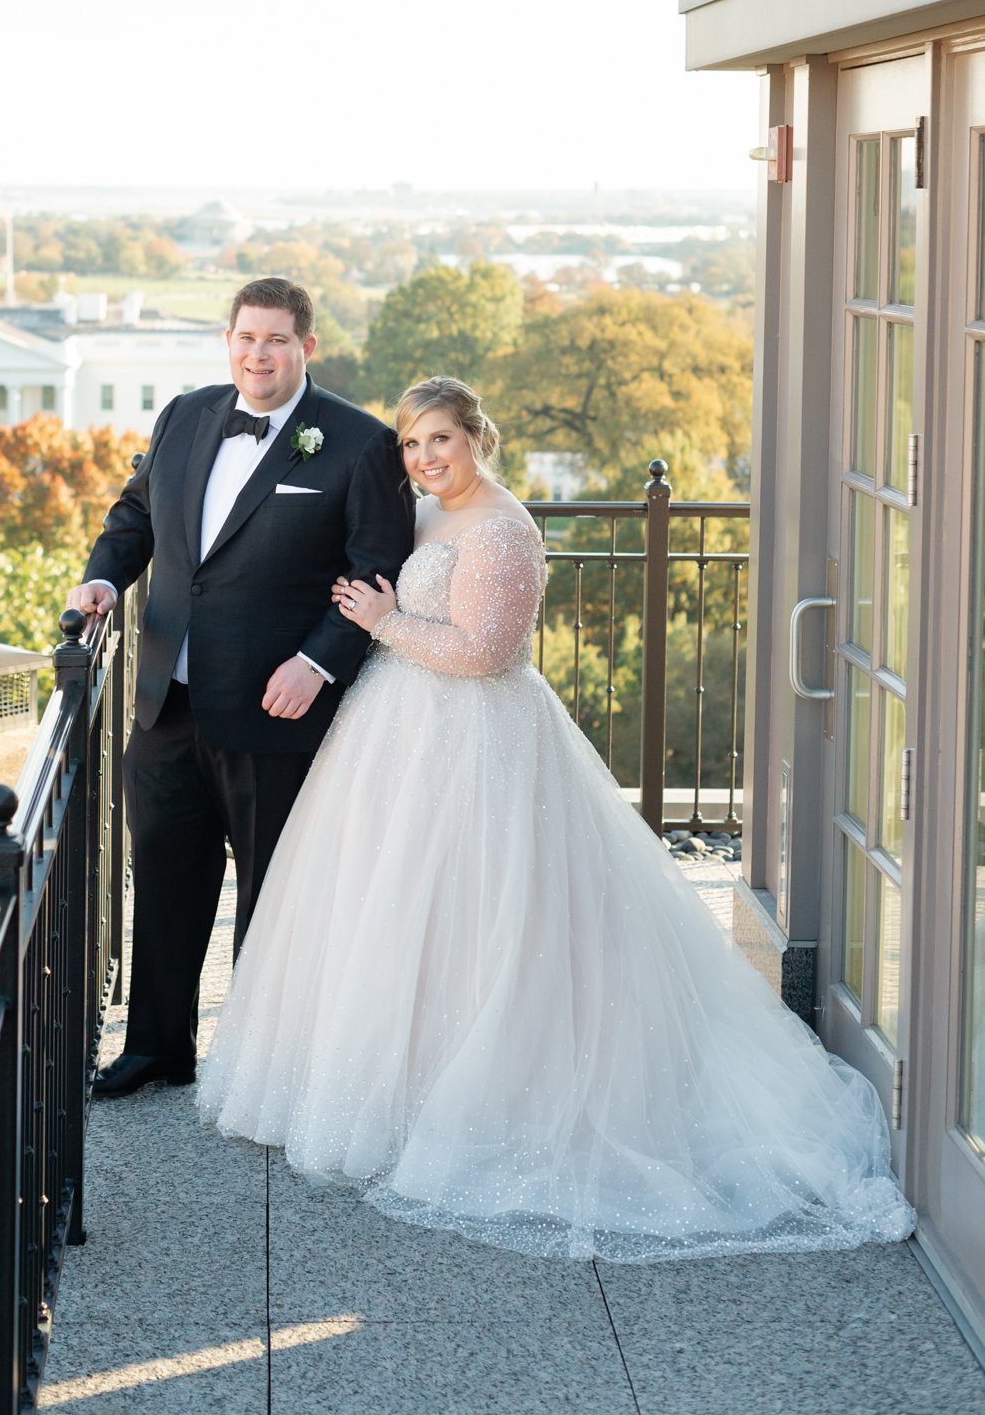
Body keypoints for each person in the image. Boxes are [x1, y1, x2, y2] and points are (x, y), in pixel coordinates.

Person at [198, 377, 915, 1261]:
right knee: (394, 911)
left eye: (440, 441)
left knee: (484, 917)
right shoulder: (431, 517)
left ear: (476, 437)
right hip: (398, 737)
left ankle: (477, 1099)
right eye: (412, 446)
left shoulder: (501, 528)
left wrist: (383, 621)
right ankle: (394, 1089)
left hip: (474, 741)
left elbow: (483, 653)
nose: (425, 459)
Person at [68, 276, 414, 1098]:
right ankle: (156, 1048)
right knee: (161, 879)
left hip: (277, 706)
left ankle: (267, 1065)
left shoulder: (358, 442)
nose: (258, 354)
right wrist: (103, 581)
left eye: (276, 340)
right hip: (167, 701)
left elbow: (377, 568)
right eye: (246, 338)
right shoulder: (185, 414)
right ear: (229, 340)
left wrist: (319, 661)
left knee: (275, 891)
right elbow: (135, 517)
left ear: (306, 347)